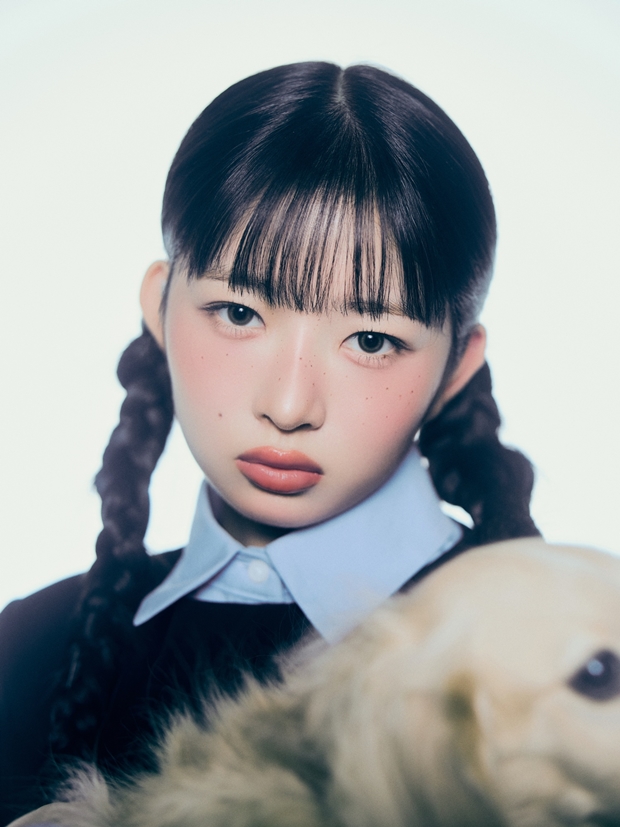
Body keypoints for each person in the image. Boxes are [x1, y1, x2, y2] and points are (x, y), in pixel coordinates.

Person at [0, 61, 539, 824]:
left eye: (372, 339)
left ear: (456, 365)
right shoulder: (32, 648)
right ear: (160, 303)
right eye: (240, 313)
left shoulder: (565, 663)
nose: (288, 406)